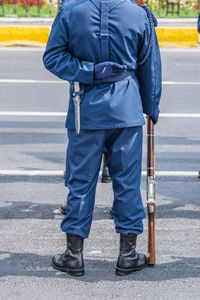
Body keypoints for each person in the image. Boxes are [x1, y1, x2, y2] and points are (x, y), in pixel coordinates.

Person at [43, 0, 162, 277]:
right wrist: (151, 108)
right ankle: (128, 255)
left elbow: (53, 57)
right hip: (127, 108)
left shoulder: (71, 12)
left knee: (81, 183)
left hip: (86, 109)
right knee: (127, 183)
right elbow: (150, 68)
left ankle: (74, 256)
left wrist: (89, 72)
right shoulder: (138, 14)